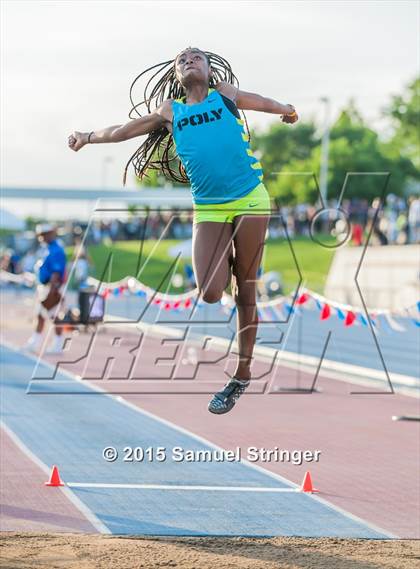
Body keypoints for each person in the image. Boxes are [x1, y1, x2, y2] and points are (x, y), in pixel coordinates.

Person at [68, 47, 298, 414]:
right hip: (209, 207)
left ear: (210, 70)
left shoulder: (226, 95)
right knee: (209, 292)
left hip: (250, 198)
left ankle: (241, 373)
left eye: (196, 58)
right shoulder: (170, 112)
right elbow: (123, 130)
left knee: (247, 288)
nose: (189, 61)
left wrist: (288, 110)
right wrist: (88, 135)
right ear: (177, 75)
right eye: (182, 60)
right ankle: (231, 272)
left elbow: (265, 103)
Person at [24, 224, 67, 354]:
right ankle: (35, 342)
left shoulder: (56, 250)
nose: (42, 237)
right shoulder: (47, 249)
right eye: (41, 235)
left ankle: (57, 344)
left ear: (52, 234)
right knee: (42, 315)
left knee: (54, 316)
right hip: (45, 287)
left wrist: (52, 291)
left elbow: (56, 273)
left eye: (45, 234)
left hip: (52, 288)